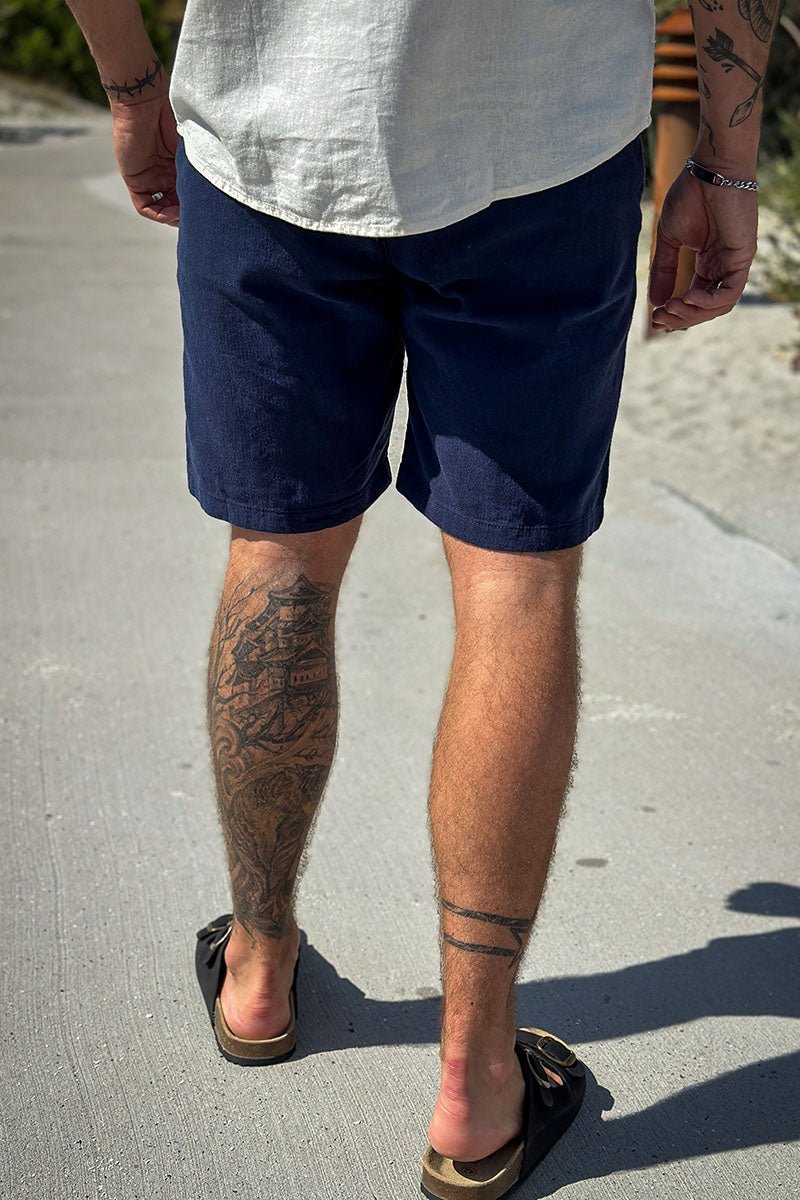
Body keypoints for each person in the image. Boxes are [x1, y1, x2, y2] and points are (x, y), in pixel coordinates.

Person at [66, 1, 777, 1194]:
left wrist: (134, 90)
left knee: (279, 555)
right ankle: (474, 1082)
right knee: (514, 586)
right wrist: (724, 159)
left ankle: (256, 974)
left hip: (272, 133)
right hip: (542, 150)